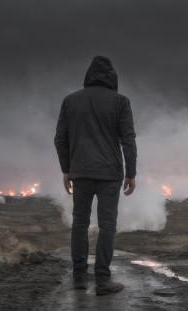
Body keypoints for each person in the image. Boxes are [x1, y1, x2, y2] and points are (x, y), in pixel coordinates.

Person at [54, 56, 137, 296]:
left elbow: (61, 139)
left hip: (80, 171)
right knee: (107, 224)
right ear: (112, 77)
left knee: (79, 222)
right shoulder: (121, 101)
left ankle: (79, 277)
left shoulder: (70, 101)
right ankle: (102, 280)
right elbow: (128, 140)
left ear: (88, 76)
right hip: (110, 172)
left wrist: (66, 169)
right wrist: (131, 172)